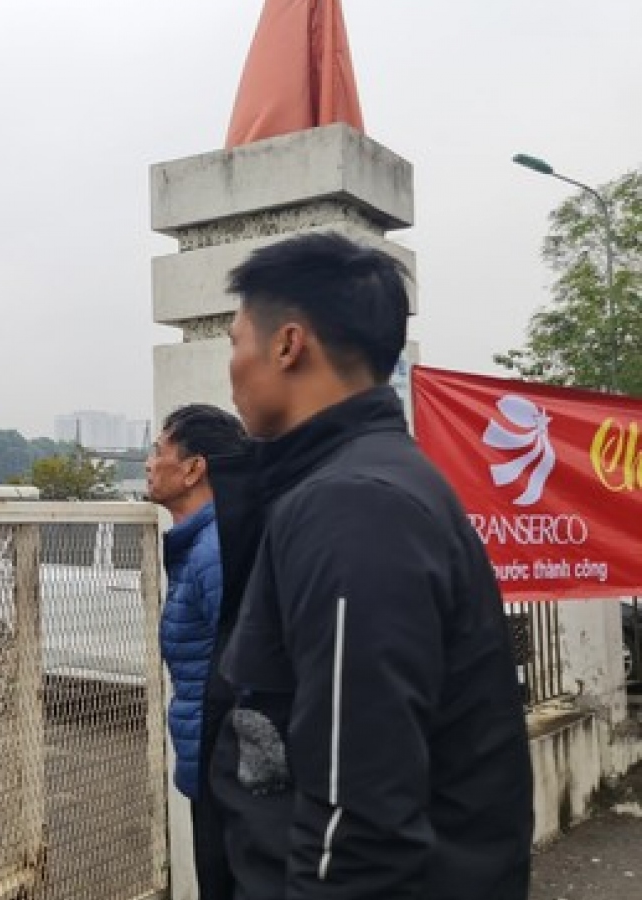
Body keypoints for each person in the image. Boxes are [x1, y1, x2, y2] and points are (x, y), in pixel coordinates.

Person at [206, 232, 532, 898]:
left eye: (235, 342)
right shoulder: (354, 482)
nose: (231, 368)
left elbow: (358, 820)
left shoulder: (352, 506)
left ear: (287, 345)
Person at [146, 403, 245, 899]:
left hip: (229, 774)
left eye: (158, 450)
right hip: (215, 767)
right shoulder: (203, 543)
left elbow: (246, 674)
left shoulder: (214, 552)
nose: (148, 463)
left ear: (192, 468)